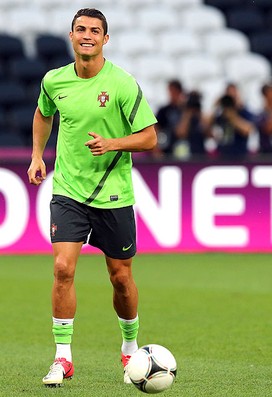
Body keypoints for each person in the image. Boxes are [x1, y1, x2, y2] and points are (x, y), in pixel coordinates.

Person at [27, 8, 157, 387]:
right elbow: (43, 112)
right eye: (81, 29)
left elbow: (150, 137)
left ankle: (130, 346)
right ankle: (63, 358)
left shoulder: (121, 83)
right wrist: (37, 154)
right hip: (68, 190)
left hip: (114, 194)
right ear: (71, 36)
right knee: (63, 269)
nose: (87, 35)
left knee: (120, 278)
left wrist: (113, 142)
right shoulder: (55, 81)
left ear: (105, 39)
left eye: (95, 30)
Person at [173, 90, 210, 160]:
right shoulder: (181, 113)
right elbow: (181, 133)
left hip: (200, 153)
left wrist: (199, 113)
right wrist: (188, 113)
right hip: (184, 154)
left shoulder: (201, 116)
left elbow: (208, 133)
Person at [155, 79, 186, 157]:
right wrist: (157, 148)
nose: (171, 94)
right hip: (167, 148)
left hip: (185, 147)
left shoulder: (186, 110)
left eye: (173, 91)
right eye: (170, 91)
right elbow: (156, 129)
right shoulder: (164, 110)